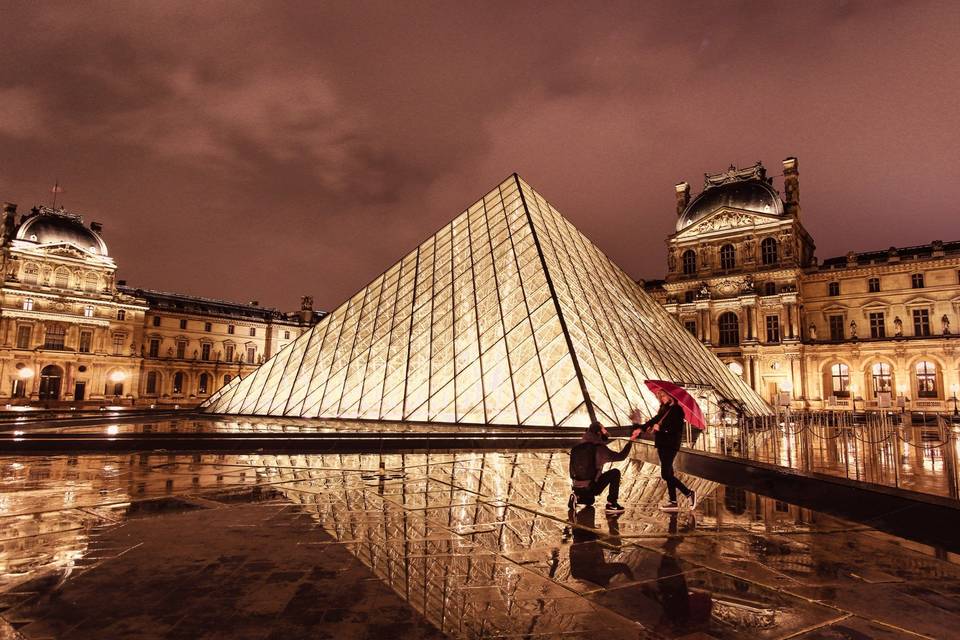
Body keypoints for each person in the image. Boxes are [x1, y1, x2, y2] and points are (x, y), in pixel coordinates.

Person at [631, 391, 697, 512]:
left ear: (671, 396)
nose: (661, 398)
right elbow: (654, 420)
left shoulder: (677, 410)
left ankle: (688, 493)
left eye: (663, 395)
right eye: (659, 396)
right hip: (662, 443)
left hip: (670, 444)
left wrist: (661, 428)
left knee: (665, 474)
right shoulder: (664, 409)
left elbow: (676, 428)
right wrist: (641, 429)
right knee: (669, 473)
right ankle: (673, 502)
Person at [568, 421, 638, 514]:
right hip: (590, 486)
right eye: (604, 429)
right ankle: (612, 504)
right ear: (598, 433)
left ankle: (577, 497)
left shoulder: (577, 446)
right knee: (615, 473)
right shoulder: (599, 448)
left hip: (577, 486)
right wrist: (631, 441)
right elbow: (621, 456)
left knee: (590, 501)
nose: (606, 432)